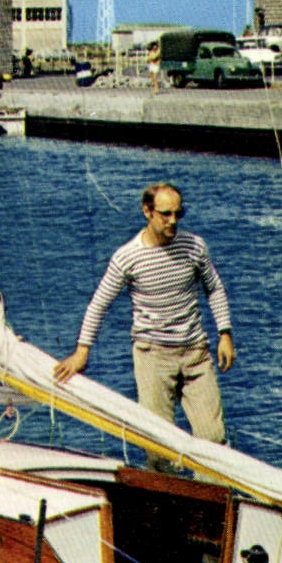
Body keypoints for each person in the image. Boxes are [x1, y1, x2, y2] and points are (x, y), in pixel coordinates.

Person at [54, 182, 234, 447]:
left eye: (178, 214)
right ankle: (163, 488)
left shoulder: (195, 246)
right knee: (159, 443)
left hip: (195, 352)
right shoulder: (127, 257)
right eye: (165, 214)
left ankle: (207, 488)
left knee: (213, 439)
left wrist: (225, 333)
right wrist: (82, 352)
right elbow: (99, 304)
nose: (173, 221)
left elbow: (214, 288)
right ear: (147, 212)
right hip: (153, 356)